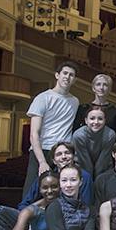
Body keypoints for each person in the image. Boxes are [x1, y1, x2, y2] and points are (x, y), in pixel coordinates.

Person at [23, 61, 79, 196]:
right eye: (64, 73)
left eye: (71, 75)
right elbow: (34, 134)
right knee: (32, 193)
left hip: (63, 153)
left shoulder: (75, 101)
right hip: (43, 151)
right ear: (57, 75)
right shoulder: (42, 98)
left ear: (75, 80)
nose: (67, 77)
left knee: (62, 193)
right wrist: (42, 161)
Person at [73, 74, 116, 139]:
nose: (101, 87)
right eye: (98, 84)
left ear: (109, 89)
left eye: (105, 85)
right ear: (93, 88)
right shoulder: (83, 108)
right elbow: (76, 131)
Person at [72, 106, 116, 180]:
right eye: (92, 118)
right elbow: (84, 161)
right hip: (82, 171)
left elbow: (103, 161)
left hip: (104, 171)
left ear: (105, 120)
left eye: (100, 119)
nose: (96, 122)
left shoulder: (110, 134)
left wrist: (97, 181)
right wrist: (90, 180)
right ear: (86, 120)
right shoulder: (78, 135)